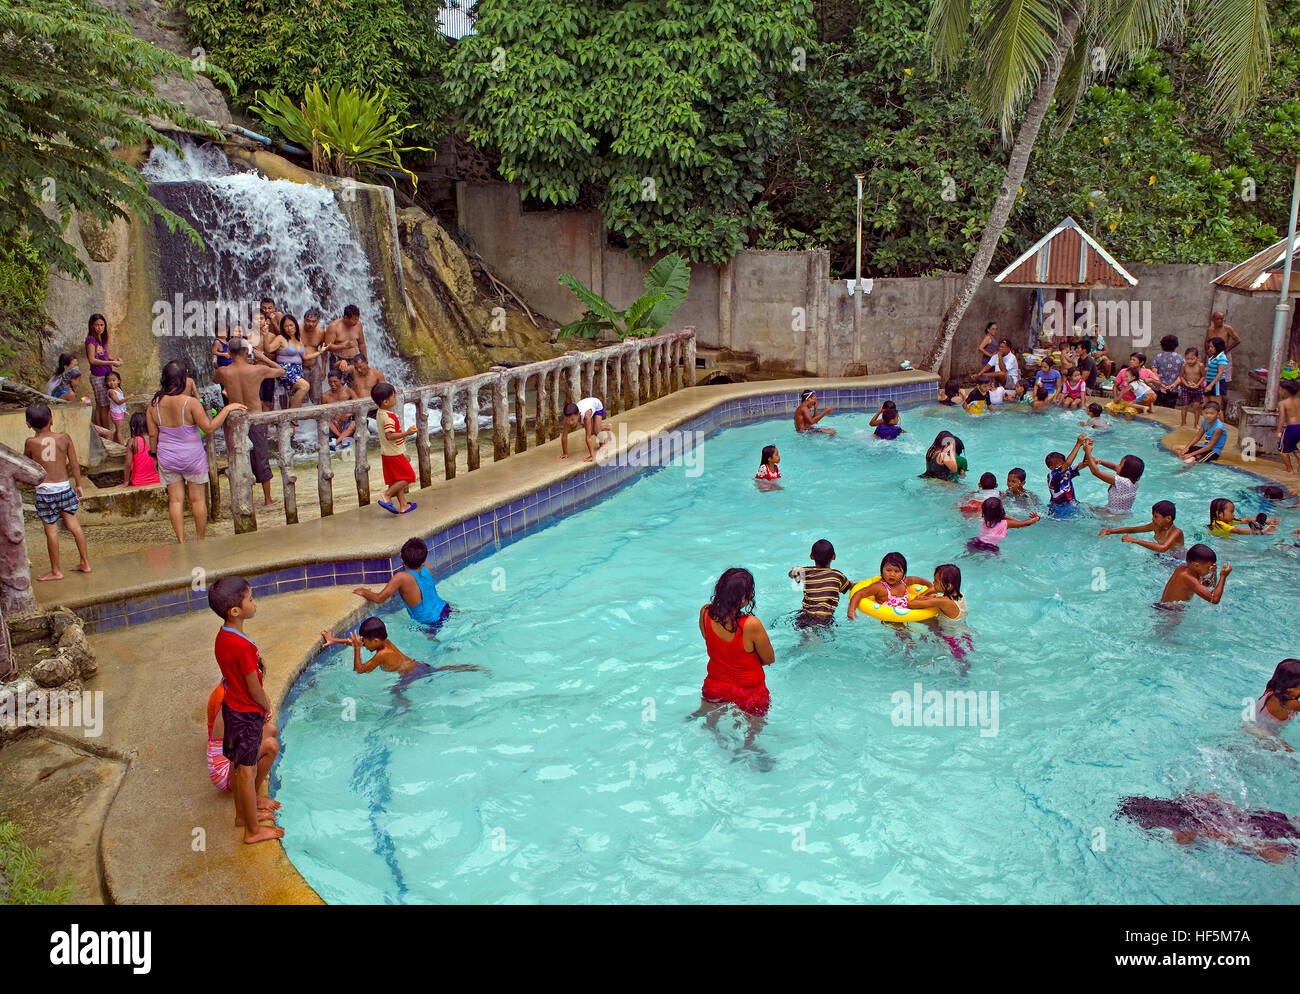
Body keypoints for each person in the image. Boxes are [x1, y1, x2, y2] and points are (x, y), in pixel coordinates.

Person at [207, 576, 282, 844]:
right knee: (246, 771)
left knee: (242, 768)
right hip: (246, 713)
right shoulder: (244, 646)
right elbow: (253, 686)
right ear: (235, 611)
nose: (254, 602)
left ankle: (244, 813)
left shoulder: (223, 636)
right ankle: (252, 830)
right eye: (250, 598)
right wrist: (266, 704)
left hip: (232, 709)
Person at [149, 362, 244, 543]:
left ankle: (181, 540)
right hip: (191, 457)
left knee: (175, 501)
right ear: (182, 380)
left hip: (167, 456)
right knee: (198, 500)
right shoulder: (190, 403)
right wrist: (226, 409)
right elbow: (208, 428)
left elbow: (153, 435)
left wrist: (153, 456)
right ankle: (200, 539)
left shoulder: (154, 404)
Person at [690, 568, 776, 764]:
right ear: (744, 598)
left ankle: (710, 729)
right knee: (753, 728)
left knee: (710, 722)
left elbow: (709, 640)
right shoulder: (751, 624)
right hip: (749, 692)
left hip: (715, 685)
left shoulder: (705, 612)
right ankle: (748, 746)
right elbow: (769, 659)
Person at [1118, 792, 1300, 862]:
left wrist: (1259, 850)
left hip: (1259, 836)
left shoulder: (1182, 833)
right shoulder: (1189, 798)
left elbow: (1220, 835)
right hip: (1263, 818)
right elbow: (1221, 802)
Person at [23, 403, 90, 581]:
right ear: (51, 420)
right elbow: (74, 463)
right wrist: (79, 484)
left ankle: (56, 571)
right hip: (64, 488)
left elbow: (27, 466)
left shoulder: (30, 443)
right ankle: (85, 563)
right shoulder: (64, 438)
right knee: (74, 526)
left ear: (28, 424)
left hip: (45, 493)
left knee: (51, 532)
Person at [213, 341, 282, 508]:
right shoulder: (258, 369)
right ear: (246, 351)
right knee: (261, 456)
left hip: (235, 419)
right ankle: (267, 499)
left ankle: (243, 498)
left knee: (237, 457)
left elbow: (215, 379)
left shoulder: (223, 371)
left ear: (229, 351)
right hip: (255, 417)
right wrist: (262, 357)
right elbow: (282, 371)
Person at [321, 617, 485, 684]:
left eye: (365, 642)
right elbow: (358, 642)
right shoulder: (385, 642)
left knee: (396, 693)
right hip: (418, 665)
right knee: (438, 671)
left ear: (376, 641)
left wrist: (357, 649)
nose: (363, 644)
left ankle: (405, 709)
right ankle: (470, 667)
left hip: (411, 674)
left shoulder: (382, 654)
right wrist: (334, 640)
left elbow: (359, 670)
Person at [206, 681, 281, 813]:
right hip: (223, 772)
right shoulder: (233, 706)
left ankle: (253, 781)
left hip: (232, 756)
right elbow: (242, 746)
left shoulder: (237, 693)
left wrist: (265, 709)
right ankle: (254, 796)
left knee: (271, 730)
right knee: (270, 746)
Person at [353, 537, 450, 629]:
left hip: (428, 621)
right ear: (424, 559)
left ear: (400, 556)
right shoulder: (427, 568)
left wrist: (364, 592)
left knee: (434, 643)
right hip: (444, 608)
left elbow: (379, 598)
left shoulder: (400, 578)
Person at [908, 564, 971, 664]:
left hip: (950, 640)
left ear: (949, 586)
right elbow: (934, 590)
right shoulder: (959, 594)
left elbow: (911, 604)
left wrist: (921, 597)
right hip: (962, 633)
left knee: (956, 664)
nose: (933, 583)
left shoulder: (944, 602)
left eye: (936, 581)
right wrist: (927, 596)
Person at [373, 382, 418, 514]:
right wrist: (407, 433)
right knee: (409, 476)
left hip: (386, 452)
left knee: (396, 479)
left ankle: (404, 505)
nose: (395, 398)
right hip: (394, 453)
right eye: (393, 396)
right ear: (385, 402)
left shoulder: (380, 413)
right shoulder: (388, 417)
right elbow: (390, 435)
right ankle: (387, 495)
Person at [847, 552, 931, 619]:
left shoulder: (904, 582)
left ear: (903, 573)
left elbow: (918, 580)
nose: (892, 574)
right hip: (890, 617)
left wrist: (930, 586)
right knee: (903, 633)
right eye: (888, 570)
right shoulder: (879, 587)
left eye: (897, 571)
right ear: (881, 570)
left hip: (907, 611)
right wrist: (851, 609)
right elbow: (859, 593)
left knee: (931, 621)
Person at [787, 539, 851, 627]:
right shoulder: (838, 575)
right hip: (824, 619)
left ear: (811, 556)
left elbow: (791, 574)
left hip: (805, 616)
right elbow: (849, 587)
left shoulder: (805, 571)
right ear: (834, 556)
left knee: (805, 636)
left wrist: (794, 572)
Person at [264, 313, 317, 411]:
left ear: (296, 325)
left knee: (296, 399)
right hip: (285, 370)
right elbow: (268, 349)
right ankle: (289, 413)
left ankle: (292, 420)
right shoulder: (281, 338)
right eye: (286, 326)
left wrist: (320, 352)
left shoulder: (298, 339)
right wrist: (265, 335)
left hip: (297, 370)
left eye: (291, 325)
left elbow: (304, 356)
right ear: (283, 328)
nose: (289, 328)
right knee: (305, 386)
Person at [1245, 658, 1300, 747]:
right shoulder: (1286, 704)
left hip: (1250, 729)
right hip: (1258, 736)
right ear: (1290, 689)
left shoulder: (1276, 690)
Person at [1080, 439, 1143, 514]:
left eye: (1120, 464)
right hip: (1121, 514)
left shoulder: (1123, 482)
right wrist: (1098, 461)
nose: (1117, 465)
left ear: (1126, 470)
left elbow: (1095, 472)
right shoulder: (1134, 481)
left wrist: (1087, 451)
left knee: (1083, 508)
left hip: (1113, 516)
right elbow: (1114, 467)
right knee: (1087, 508)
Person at [84, 313, 122, 433]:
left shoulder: (103, 338)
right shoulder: (91, 340)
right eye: (96, 325)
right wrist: (109, 363)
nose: (99, 327)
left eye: (102, 325)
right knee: (104, 407)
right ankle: (107, 433)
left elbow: (105, 355)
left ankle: (101, 432)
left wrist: (115, 360)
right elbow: (92, 360)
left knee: (102, 406)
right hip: (98, 376)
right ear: (91, 326)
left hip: (105, 375)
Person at [1099, 500, 1183, 553]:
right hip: (1162, 555)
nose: (1152, 519)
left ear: (1168, 518)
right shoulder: (1156, 525)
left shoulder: (1176, 532)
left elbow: (1163, 548)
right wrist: (1111, 531)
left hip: (1176, 559)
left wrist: (1136, 540)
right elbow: (1133, 530)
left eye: (1156, 516)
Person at [1159, 544, 1230, 604]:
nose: (1209, 569)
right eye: (1208, 567)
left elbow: (1209, 584)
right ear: (1196, 565)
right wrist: (1223, 576)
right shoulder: (1187, 577)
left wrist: (1213, 572)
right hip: (1170, 613)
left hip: (1165, 607)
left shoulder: (1184, 570)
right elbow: (1214, 599)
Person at [967, 496, 1039, 553]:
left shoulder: (986, 519)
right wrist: (1036, 518)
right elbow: (1025, 524)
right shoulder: (1006, 523)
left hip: (976, 541)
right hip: (990, 547)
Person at [1175, 400, 1227, 465]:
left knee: (1191, 459)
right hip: (1203, 447)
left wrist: (1191, 454)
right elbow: (1197, 437)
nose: (1208, 415)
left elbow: (1210, 447)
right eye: (1206, 413)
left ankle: (1185, 471)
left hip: (1213, 451)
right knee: (1175, 448)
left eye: (1212, 413)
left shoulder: (1218, 428)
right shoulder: (1205, 421)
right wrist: (1187, 448)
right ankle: (1186, 457)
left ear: (1218, 414)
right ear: (1203, 412)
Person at [325, 304, 368, 380]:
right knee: (338, 384)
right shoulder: (334, 327)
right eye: (354, 319)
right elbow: (327, 347)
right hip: (337, 359)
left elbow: (362, 344)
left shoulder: (358, 325)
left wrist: (365, 360)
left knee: (355, 383)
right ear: (346, 318)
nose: (356, 322)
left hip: (354, 359)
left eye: (357, 319)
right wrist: (343, 346)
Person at [561, 397, 611, 462]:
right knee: (592, 430)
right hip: (587, 404)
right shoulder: (567, 418)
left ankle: (602, 443)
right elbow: (564, 436)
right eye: (568, 420)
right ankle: (606, 427)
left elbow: (588, 438)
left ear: (578, 414)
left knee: (595, 431)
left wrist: (591, 456)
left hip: (596, 405)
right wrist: (565, 453)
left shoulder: (586, 417)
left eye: (572, 419)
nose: (570, 423)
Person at [121, 411, 160, 488]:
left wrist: (126, 482)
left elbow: (128, 464)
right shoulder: (156, 439)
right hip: (158, 480)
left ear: (133, 427)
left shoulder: (133, 441)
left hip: (139, 481)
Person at [322, 370, 358, 449]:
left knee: (353, 424)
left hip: (346, 423)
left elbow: (359, 406)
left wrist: (348, 415)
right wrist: (333, 420)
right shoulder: (325, 396)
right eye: (330, 382)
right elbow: (322, 414)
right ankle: (342, 439)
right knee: (326, 421)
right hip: (333, 426)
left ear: (341, 380)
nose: (332, 384)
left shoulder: (349, 391)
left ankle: (336, 442)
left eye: (335, 381)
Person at [1045, 438, 1085, 507]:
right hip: (1058, 507)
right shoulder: (1052, 476)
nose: (1065, 467)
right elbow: (1068, 463)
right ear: (1051, 468)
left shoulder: (1067, 471)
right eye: (1061, 465)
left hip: (1072, 503)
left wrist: (1087, 449)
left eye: (1064, 464)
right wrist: (1078, 444)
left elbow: (1085, 463)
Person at [1204, 312, 1240, 386]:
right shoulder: (1210, 330)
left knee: (1224, 375)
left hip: (1224, 355)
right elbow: (1206, 342)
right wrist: (1207, 352)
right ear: (1213, 319)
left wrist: (1227, 350)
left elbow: (1237, 340)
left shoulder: (1227, 328)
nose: (1220, 321)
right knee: (1211, 373)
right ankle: (1211, 390)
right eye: (1217, 319)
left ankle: (1221, 393)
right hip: (1212, 356)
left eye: (1221, 319)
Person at [1207, 498, 1276, 536]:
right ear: (1219, 513)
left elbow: (1246, 520)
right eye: (1231, 512)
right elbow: (1237, 531)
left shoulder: (1228, 520)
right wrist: (1261, 532)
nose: (1233, 514)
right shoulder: (1218, 524)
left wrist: (1266, 521)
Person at [300, 308, 327, 404]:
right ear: (304, 320)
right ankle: (295, 418)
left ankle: (320, 418)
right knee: (300, 396)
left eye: (313, 321)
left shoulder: (321, 332)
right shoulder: (297, 330)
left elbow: (324, 351)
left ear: (318, 321)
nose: (310, 324)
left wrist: (323, 369)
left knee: (317, 396)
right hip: (300, 366)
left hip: (314, 367)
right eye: (308, 321)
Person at [1151, 335, 1184, 408]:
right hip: (1172, 389)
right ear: (1175, 346)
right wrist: (1174, 385)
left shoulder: (1158, 357)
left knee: (1156, 409)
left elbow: (1154, 372)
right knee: (1169, 410)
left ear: (1162, 345)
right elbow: (1182, 375)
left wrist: (1159, 385)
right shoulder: (1180, 358)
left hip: (1158, 388)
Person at [1177, 347, 1205, 428]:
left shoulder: (1200, 365)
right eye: (1187, 359)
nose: (1189, 361)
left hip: (1197, 388)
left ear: (1197, 358)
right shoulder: (1184, 365)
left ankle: (1196, 424)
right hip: (1186, 388)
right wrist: (1186, 384)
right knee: (1185, 406)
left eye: (1192, 359)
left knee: (1197, 407)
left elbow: (1203, 376)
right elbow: (1181, 376)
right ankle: (1183, 423)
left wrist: (1197, 384)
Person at [1277, 380, 1300, 474]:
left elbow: (1282, 418)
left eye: (1280, 389)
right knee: (1292, 446)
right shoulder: (1299, 400)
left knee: (1282, 449)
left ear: (1285, 391)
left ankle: (1289, 469)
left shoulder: (1283, 403)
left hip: (1291, 428)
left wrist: (1279, 431)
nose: (1279, 391)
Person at [104, 369, 127, 444]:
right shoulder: (111, 392)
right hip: (116, 413)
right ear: (106, 382)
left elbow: (121, 403)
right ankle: (123, 448)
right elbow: (118, 402)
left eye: (114, 380)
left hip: (119, 412)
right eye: (109, 381)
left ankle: (114, 443)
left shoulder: (118, 389)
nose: (111, 382)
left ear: (119, 381)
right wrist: (128, 397)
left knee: (118, 430)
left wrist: (124, 411)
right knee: (120, 432)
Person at [1204, 337, 1230, 402]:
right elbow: (1211, 368)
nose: (1210, 349)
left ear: (1218, 347)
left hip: (1216, 384)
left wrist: (1211, 385)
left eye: (1212, 347)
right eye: (1209, 347)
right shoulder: (1213, 357)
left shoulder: (1221, 357)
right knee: (1206, 404)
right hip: (1210, 381)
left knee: (1215, 406)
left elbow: (1220, 373)